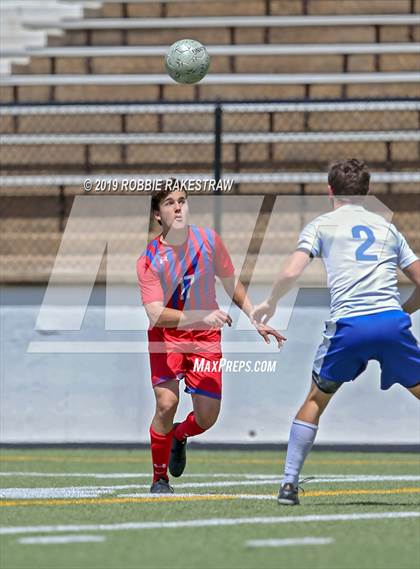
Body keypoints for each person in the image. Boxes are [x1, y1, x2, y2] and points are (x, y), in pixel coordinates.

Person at [252, 158, 420, 506]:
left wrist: (270, 301)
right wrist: (402, 311)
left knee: (316, 398)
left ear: (330, 191)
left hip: (350, 325)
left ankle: (288, 485)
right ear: (366, 191)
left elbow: (292, 270)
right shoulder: (387, 227)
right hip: (391, 322)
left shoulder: (322, 225)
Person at [137, 185, 285, 494]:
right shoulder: (150, 259)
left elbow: (231, 283)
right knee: (167, 403)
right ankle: (159, 478)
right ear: (157, 215)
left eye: (182, 201)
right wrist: (197, 316)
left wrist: (254, 318)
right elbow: (155, 314)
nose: (178, 208)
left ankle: (180, 435)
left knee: (207, 418)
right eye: (169, 203)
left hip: (205, 337)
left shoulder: (208, 241)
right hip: (166, 337)